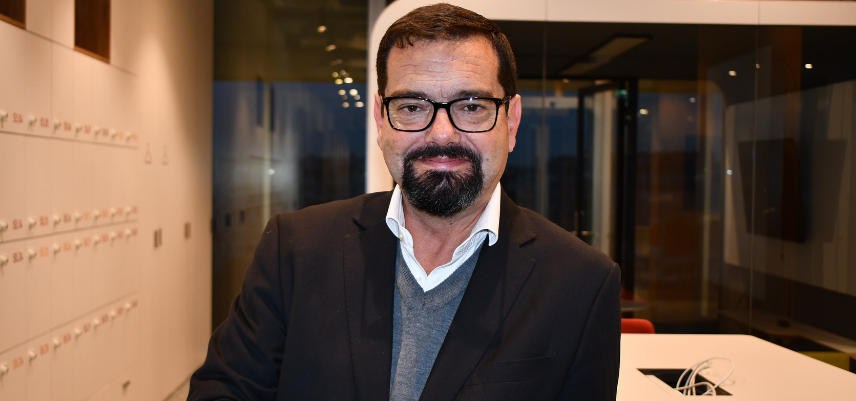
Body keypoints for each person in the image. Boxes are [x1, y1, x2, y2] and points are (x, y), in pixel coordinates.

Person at [188, 4, 620, 400]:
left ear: (512, 122)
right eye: (413, 107)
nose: (442, 134)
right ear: (381, 121)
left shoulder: (582, 284)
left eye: (472, 106)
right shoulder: (295, 250)